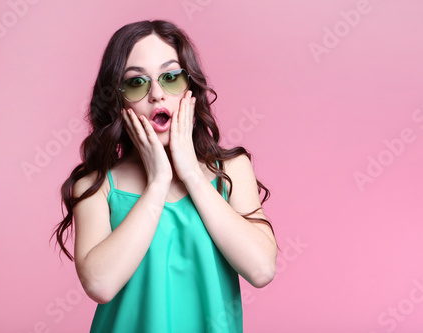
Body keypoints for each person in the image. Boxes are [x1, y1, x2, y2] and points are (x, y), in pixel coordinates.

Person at [52, 19, 277, 332]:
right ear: (118, 101)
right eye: (136, 83)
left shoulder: (231, 170)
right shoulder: (96, 187)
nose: (156, 94)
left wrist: (191, 174)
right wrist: (158, 182)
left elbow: (262, 269)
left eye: (170, 77)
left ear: (190, 88)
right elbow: (100, 285)